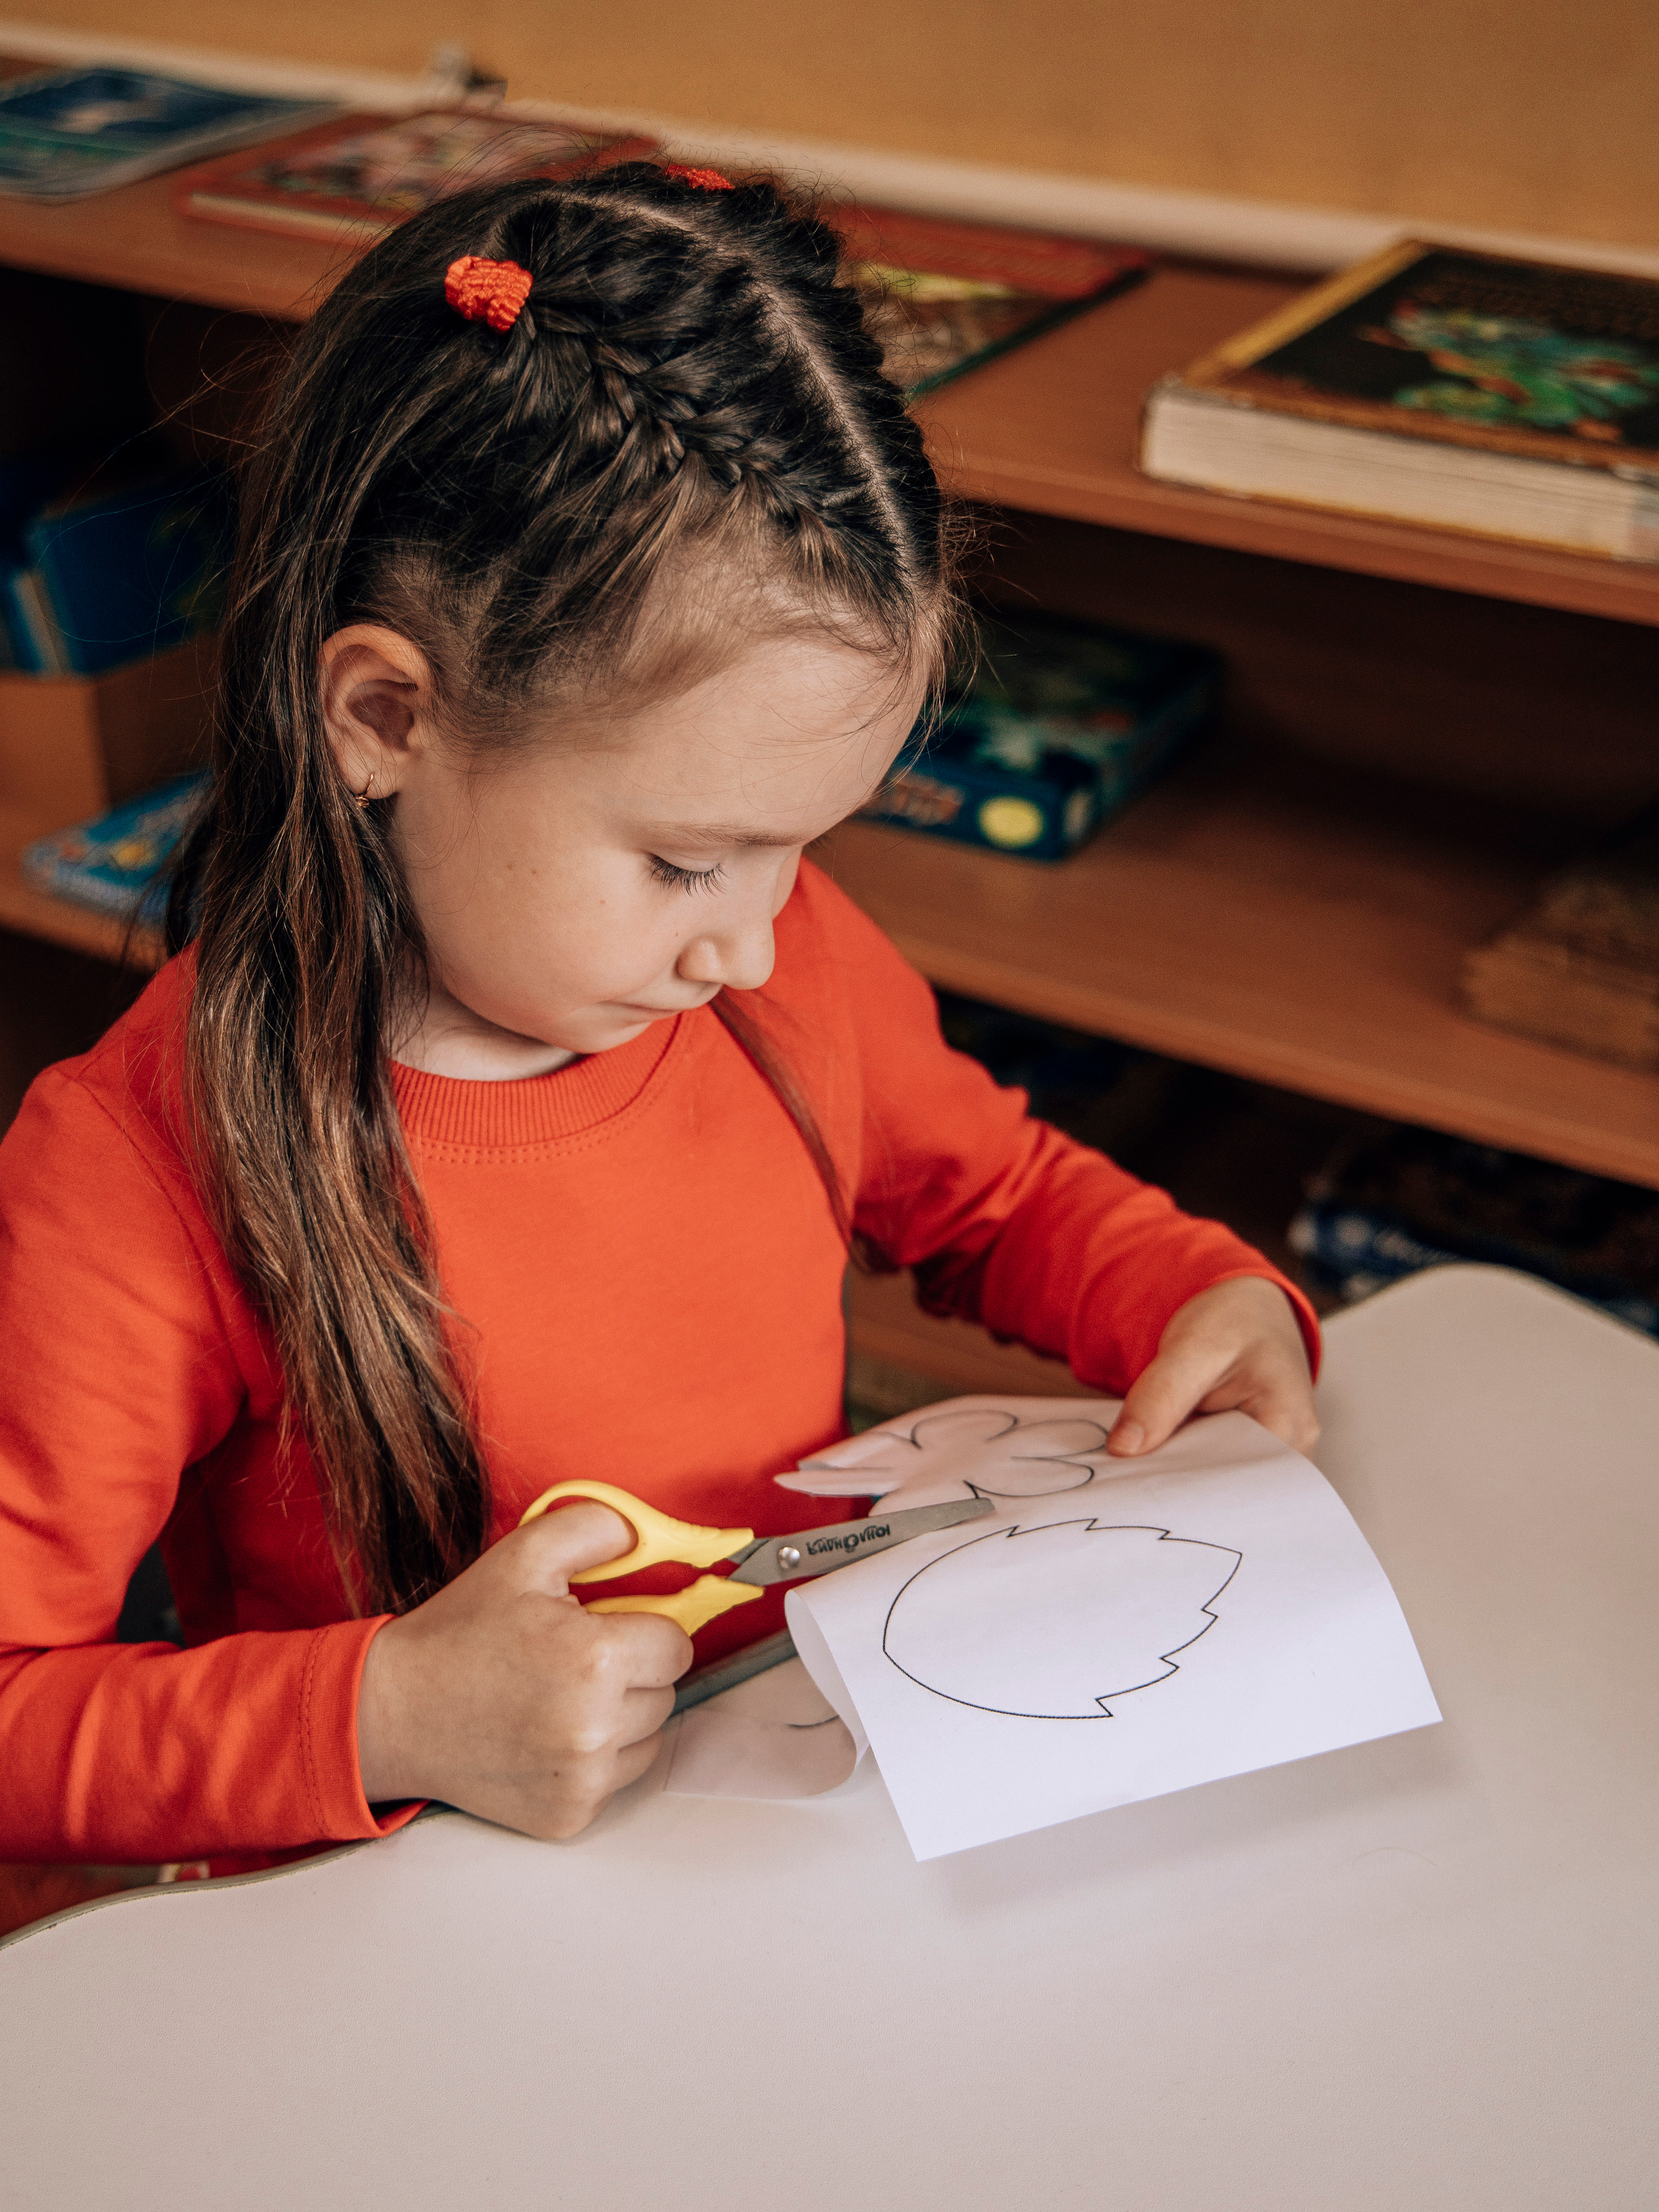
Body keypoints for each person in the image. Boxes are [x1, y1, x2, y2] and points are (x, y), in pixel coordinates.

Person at [0, 167, 1318, 1870]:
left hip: (776, 1845)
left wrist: (1193, 1287)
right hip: (402, 1942)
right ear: (386, 716)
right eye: (690, 860)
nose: (760, 950)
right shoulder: (134, 1169)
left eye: (800, 854)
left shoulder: (776, 960)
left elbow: (988, 1191)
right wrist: (384, 1711)